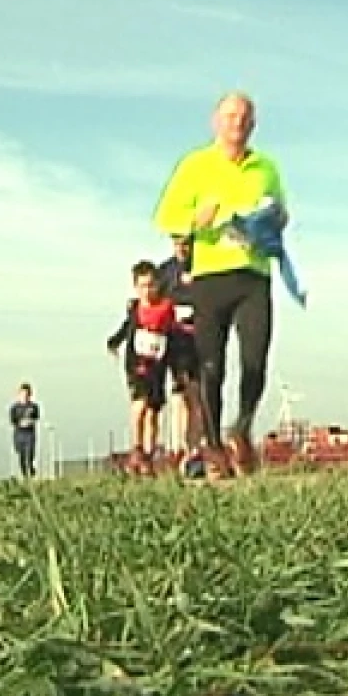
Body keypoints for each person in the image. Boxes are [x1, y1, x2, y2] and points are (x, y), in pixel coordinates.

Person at [151, 91, 290, 478]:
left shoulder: (267, 167)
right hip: (211, 276)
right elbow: (167, 218)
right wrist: (199, 218)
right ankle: (213, 450)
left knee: (255, 361)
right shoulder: (195, 165)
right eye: (230, 116)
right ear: (216, 121)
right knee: (211, 368)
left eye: (245, 117)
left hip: (254, 275)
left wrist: (274, 221)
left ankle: (241, 427)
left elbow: (281, 212)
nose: (237, 123)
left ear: (253, 124)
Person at [106, 260, 179, 475]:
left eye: (151, 285)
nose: (147, 291)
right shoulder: (135, 309)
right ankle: (136, 448)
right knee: (140, 404)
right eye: (142, 286)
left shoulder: (166, 307)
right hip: (137, 363)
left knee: (153, 410)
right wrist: (114, 342)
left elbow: (172, 335)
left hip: (158, 363)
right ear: (135, 287)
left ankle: (148, 453)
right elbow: (126, 327)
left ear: (158, 285)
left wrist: (176, 367)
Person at [155, 236, 209, 477]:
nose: (182, 248)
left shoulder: (205, 267)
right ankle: (179, 449)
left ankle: (195, 451)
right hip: (176, 344)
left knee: (198, 396)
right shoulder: (164, 272)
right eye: (178, 242)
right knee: (180, 396)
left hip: (202, 339)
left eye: (186, 243)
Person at [8, 383, 41, 478]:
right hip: (19, 434)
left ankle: (30, 470)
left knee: (29, 455)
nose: (24, 396)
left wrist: (29, 422)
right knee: (21, 456)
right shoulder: (14, 408)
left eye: (26, 394)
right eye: (23, 394)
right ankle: (25, 475)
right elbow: (13, 420)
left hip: (29, 434)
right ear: (19, 395)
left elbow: (36, 418)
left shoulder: (34, 406)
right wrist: (20, 423)